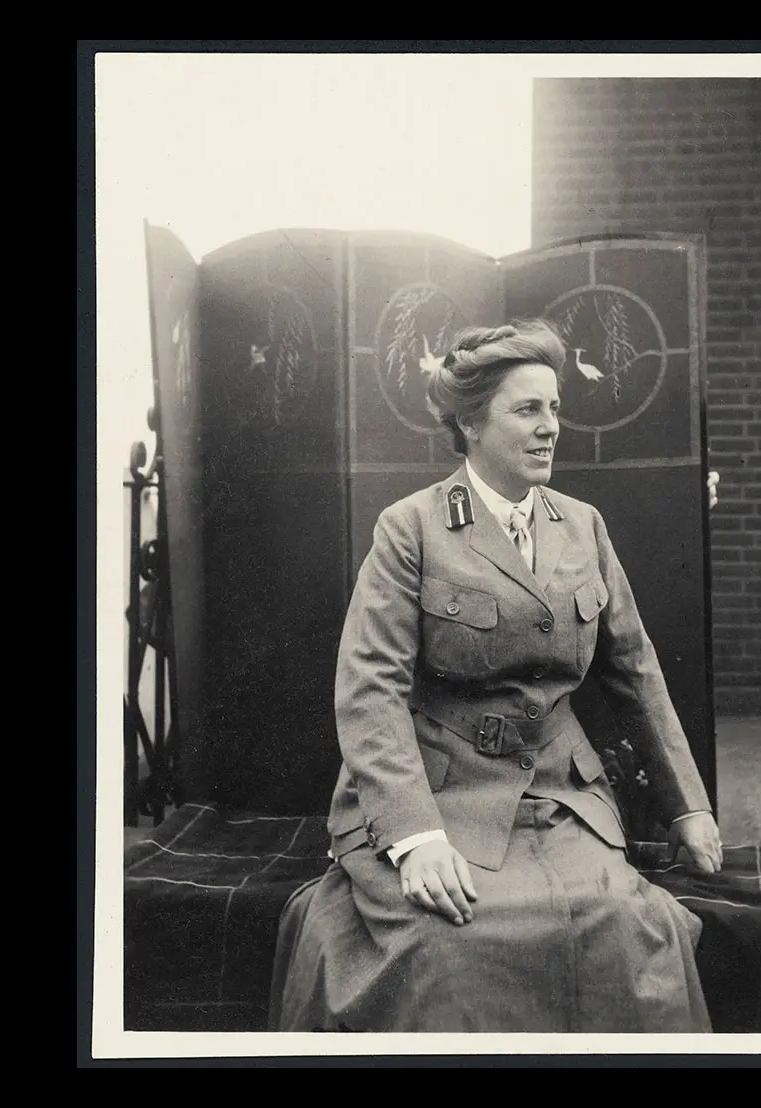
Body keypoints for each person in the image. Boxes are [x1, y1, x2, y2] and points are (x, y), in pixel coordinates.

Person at [274, 320, 723, 1033]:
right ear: (470, 424)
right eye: (528, 410)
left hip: (559, 796)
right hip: (437, 793)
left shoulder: (584, 527)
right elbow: (370, 690)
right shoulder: (411, 528)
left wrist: (686, 806)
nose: (550, 428)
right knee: (445, 946)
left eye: (554, 409)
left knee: (624, 930)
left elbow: (636, 673)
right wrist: (415, 838)